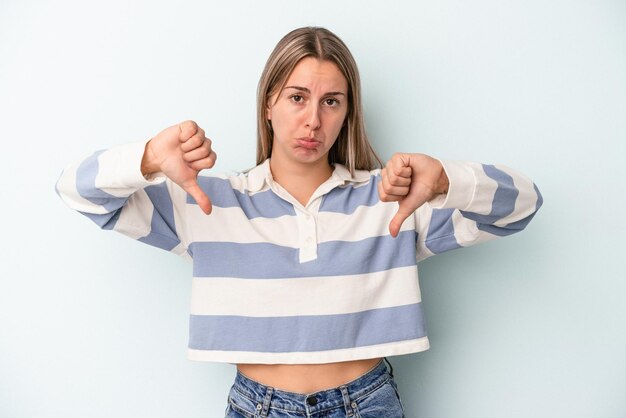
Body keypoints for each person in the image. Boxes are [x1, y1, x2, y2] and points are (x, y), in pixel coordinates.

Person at [56, 26, 542, 418]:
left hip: (367, 404)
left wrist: (444, 181)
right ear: (268, 103)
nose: (313, 120)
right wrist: (147, 159)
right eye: (296, 97)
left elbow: (523, 205)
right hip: (257, 406)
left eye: (331, 101)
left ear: (347, 112)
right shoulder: (208, 201)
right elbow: (78, 192)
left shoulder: (392, 198)